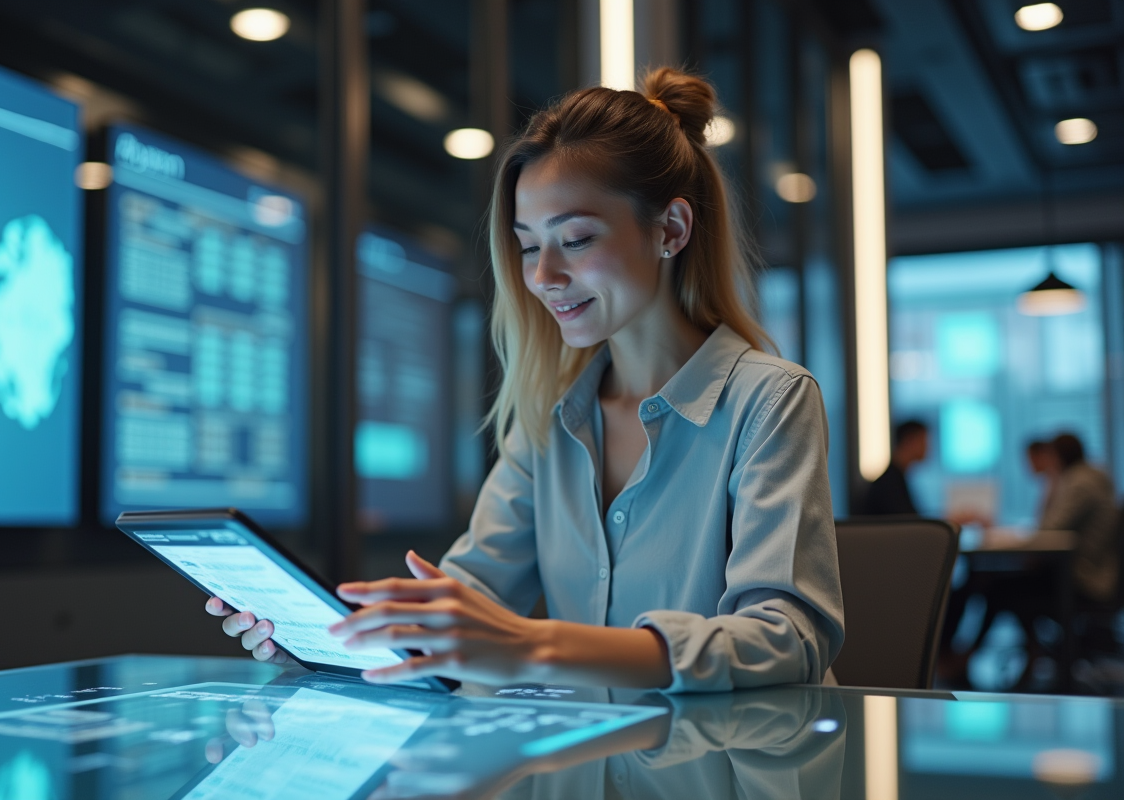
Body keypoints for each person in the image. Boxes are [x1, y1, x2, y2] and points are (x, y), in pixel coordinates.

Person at [206, 68, 844, 692]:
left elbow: (787, 636)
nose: (542, 277)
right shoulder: (551, 416)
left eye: (575, 238)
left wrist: (537, 645)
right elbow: (471, 594)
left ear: (671, 229)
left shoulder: (769, 400)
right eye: (529, 246)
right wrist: (327, 639)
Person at [1042, 433, 1118, 604]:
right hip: (1090, 569)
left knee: (1001, 588)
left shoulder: (1080, 484)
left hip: (1085, 575)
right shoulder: (1089, 476)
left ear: (1058, 456)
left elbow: (1049, 529)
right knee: (1000, 585)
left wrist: (1050, 484)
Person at [862, 420, 928, 515]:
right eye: (923, 441)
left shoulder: (895, 478)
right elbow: (907, 522)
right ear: (909, 441)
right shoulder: (889, 483)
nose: (927, 447)